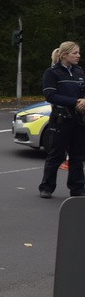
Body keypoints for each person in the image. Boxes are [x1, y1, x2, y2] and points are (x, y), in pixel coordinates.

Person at [39, 40, 85, 198]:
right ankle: (46, 187)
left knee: (78, 156)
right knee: (56, 154)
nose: (78, 56)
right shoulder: (52, 73)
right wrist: (75, 102)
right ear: (64, 55)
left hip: (78, 120)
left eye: (78, 53)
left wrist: (84, 100)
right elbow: (50, 95)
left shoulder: (79, 71)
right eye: (75, 53)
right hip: (61, 119)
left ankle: (77, 188)